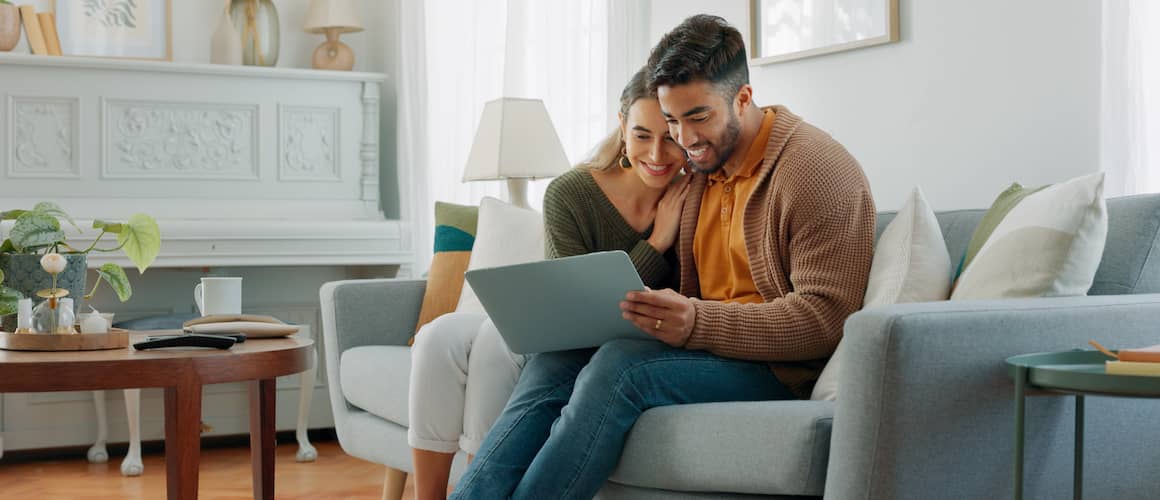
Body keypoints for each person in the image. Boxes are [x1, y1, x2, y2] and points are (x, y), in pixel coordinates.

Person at [450, 14, 876, 500]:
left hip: (780, 367)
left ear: (743, 98)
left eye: (697, 117)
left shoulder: (814, 171)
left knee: (621, 366)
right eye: (673, 121)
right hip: (705, 349)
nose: (684, 140)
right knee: (555, 361)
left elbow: (827, 319)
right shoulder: (700, 170)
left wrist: (697, 323)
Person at [407, 67, 691, 500]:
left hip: (641, 348)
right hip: (571, 342)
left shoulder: (696, 194)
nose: (656, 153)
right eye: (641, 135)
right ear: (621, 126)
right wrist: (656, 243)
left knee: (493, 347)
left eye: (670, 135)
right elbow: (578, 315)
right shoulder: (571, 194)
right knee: (448, 340)